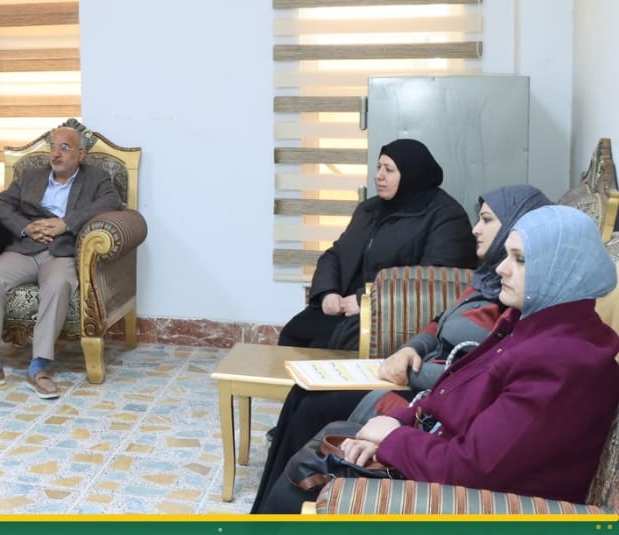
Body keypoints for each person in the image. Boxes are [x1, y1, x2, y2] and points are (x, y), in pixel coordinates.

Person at [256, 204, 619, 513]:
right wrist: (399, 421)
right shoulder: (530, 326)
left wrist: (394, 441)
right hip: (444, 455)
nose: (501, 268)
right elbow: (450, 394)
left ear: (561, 272)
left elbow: (474, 468)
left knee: (303, 477)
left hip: (487, 507)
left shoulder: (564, 361)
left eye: (520, 259)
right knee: (326, 442)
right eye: (508, 255)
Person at [0, 120, 124, 400]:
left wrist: (65, 224)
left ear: (81, 155)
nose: (56, 154)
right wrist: (26, 227)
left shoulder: (96, 179)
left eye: (65, 148)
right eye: (53, 147)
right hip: (25, 247)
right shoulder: (30, 175)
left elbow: (111, 203)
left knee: (58, 285)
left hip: (63, 250)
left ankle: (38, 367)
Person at [278, 138, 477, 349]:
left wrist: (366, 301)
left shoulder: (446, 217)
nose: (379, 175)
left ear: (412, 174)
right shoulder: (369, 209)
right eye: (378, 167)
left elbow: (433, 282)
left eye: (389, 170)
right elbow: (335, 255)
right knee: (293, 334)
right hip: (344, 307)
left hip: (392, 316)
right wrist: (328, 292)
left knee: (326, 345)